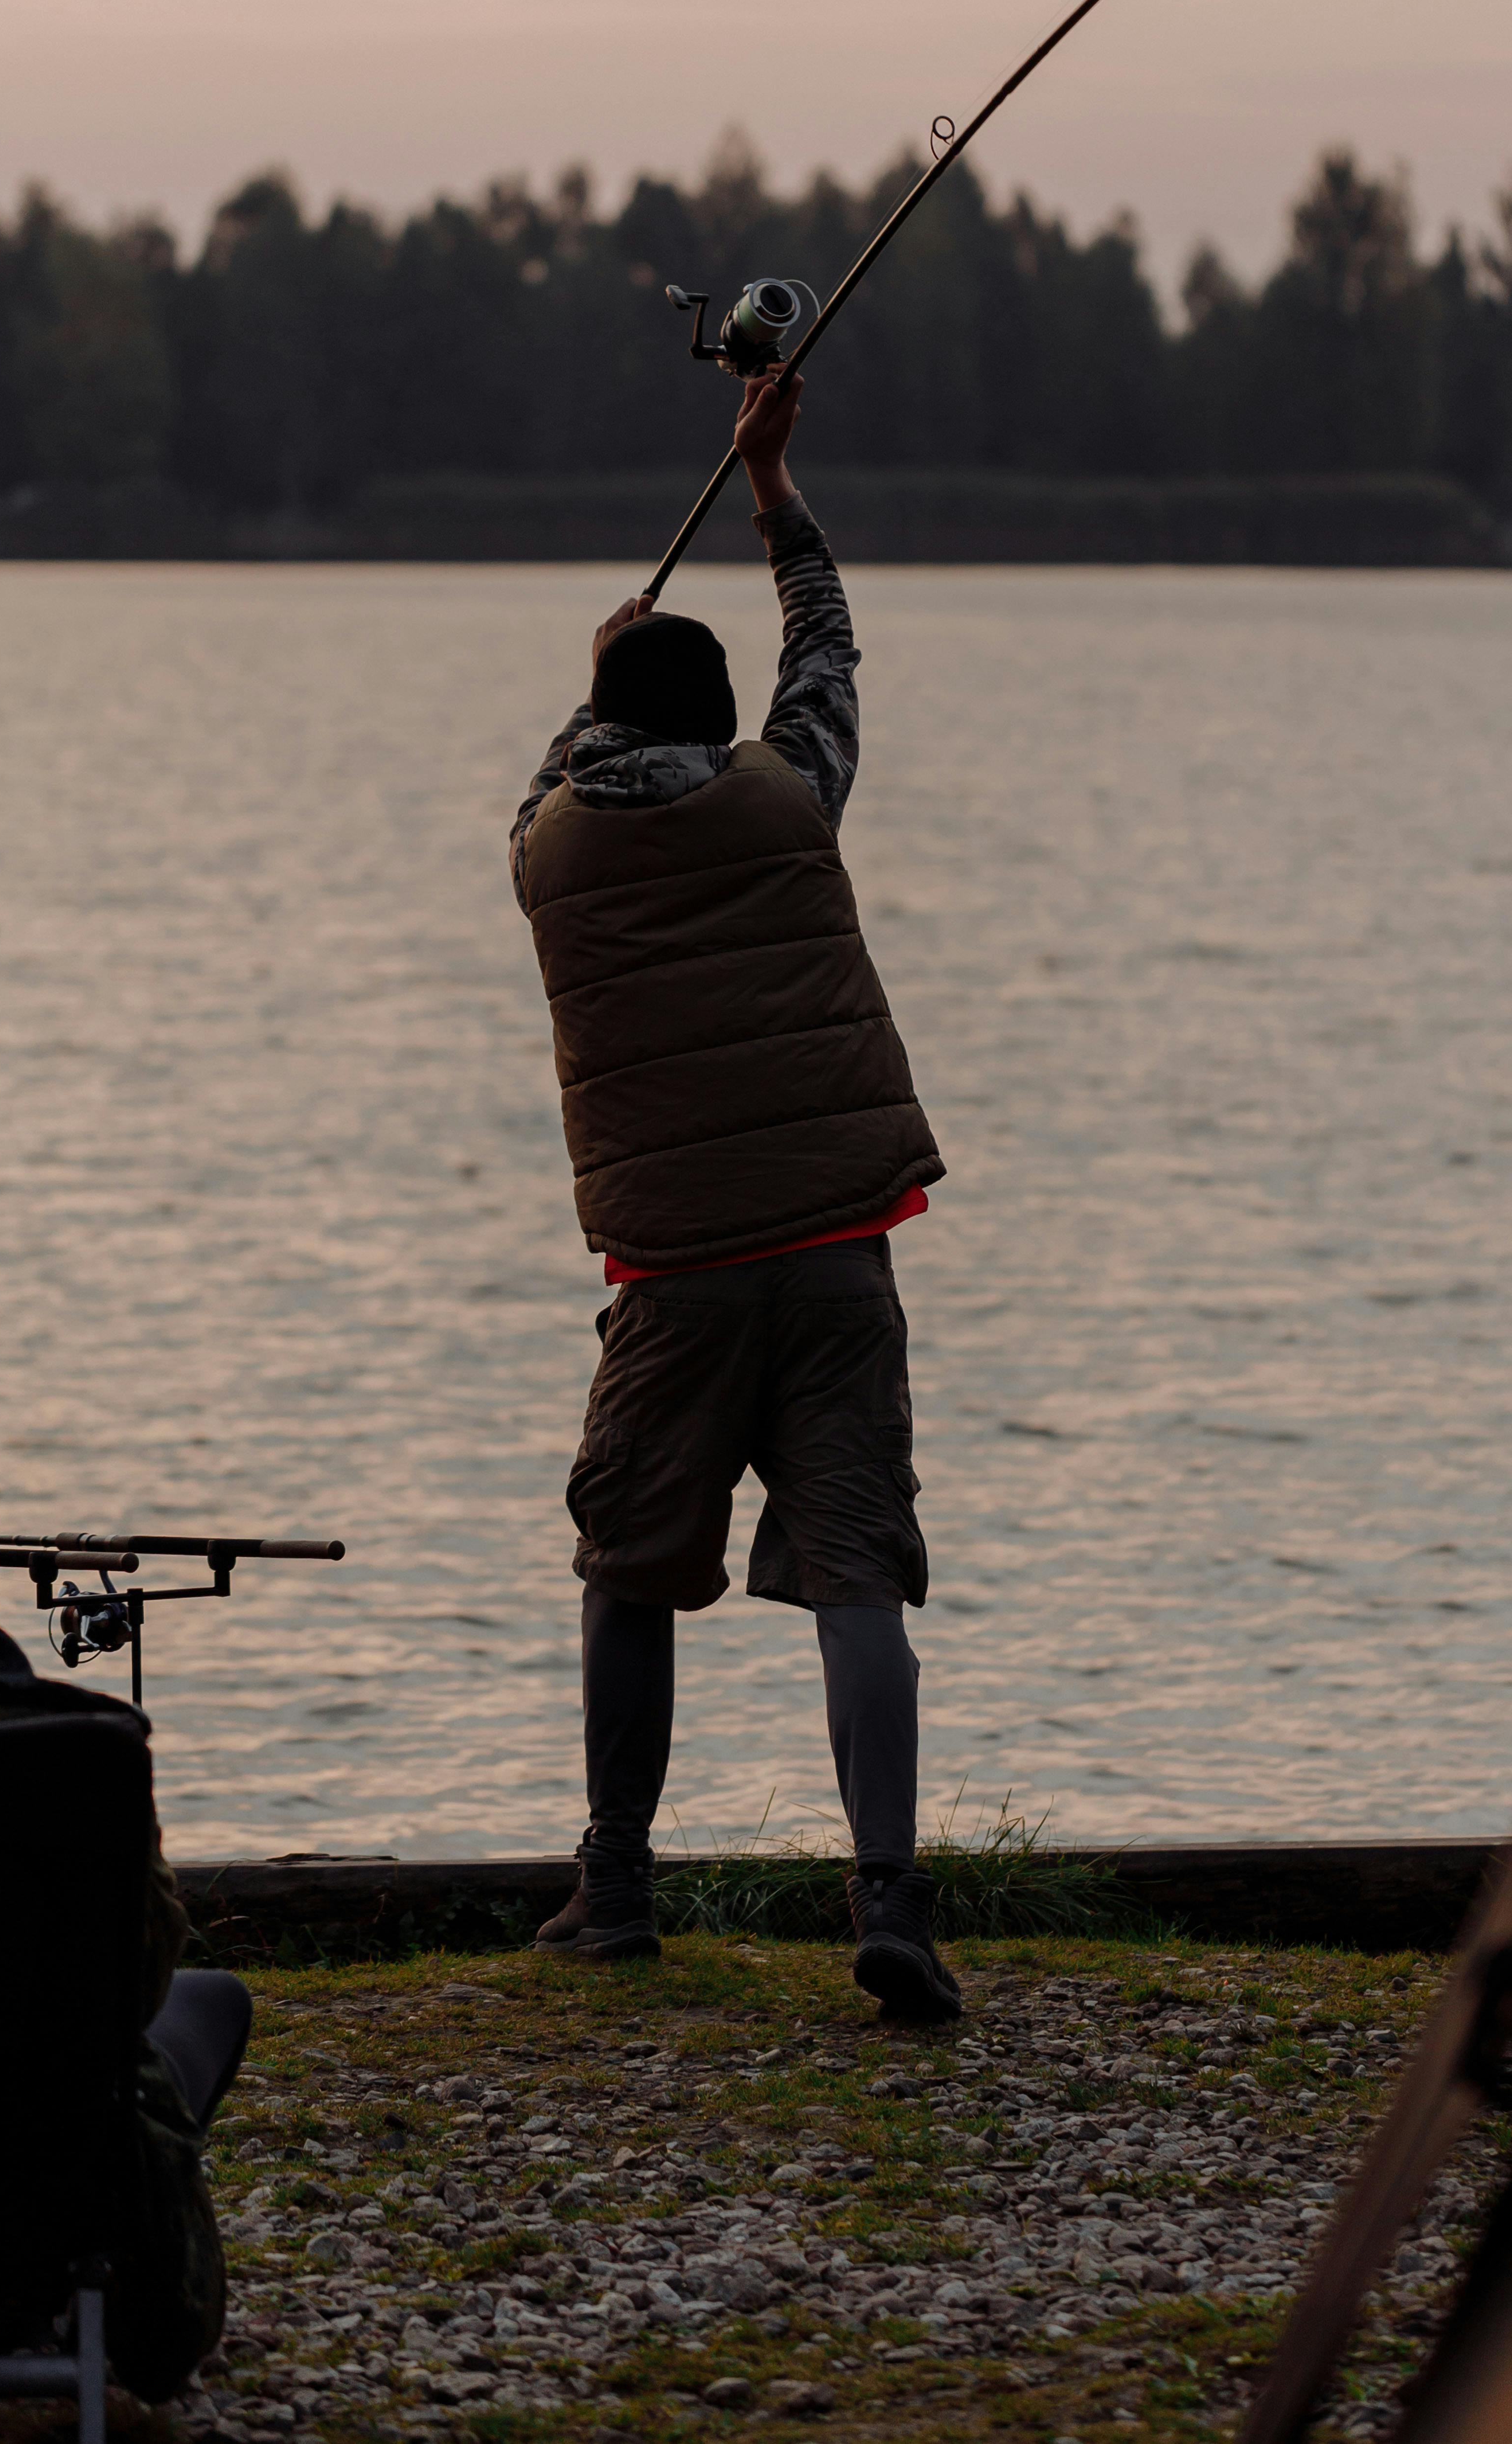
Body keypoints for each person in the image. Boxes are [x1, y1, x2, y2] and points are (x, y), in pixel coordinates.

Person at [510, 364, 959, 2020]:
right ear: (723, 727)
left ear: (605, 725)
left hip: (671, 1279)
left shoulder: (546, 847)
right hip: (836, 1263)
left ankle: (613, 1888)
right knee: (855, 1576)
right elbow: (828, 655)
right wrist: (773, 490)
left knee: (630, 1561)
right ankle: (891, 1901)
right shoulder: (792, 801)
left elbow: (545, 781)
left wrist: (590, 684)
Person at [0, 1447, 251, 2399]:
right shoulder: (84, 1748)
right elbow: (134, 1988)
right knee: (205, 1999)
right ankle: (44, 2300)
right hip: (47, 2187)